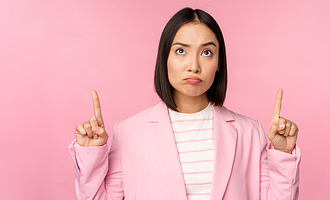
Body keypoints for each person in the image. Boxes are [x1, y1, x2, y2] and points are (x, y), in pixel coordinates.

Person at [68, 7, 300, 200]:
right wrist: (91, 154)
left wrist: (282, 153)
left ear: (219, 62)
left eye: (207, 52)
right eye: (181, 51)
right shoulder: (129, 132)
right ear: (165, 57)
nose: (194, 65)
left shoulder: (250, 132)